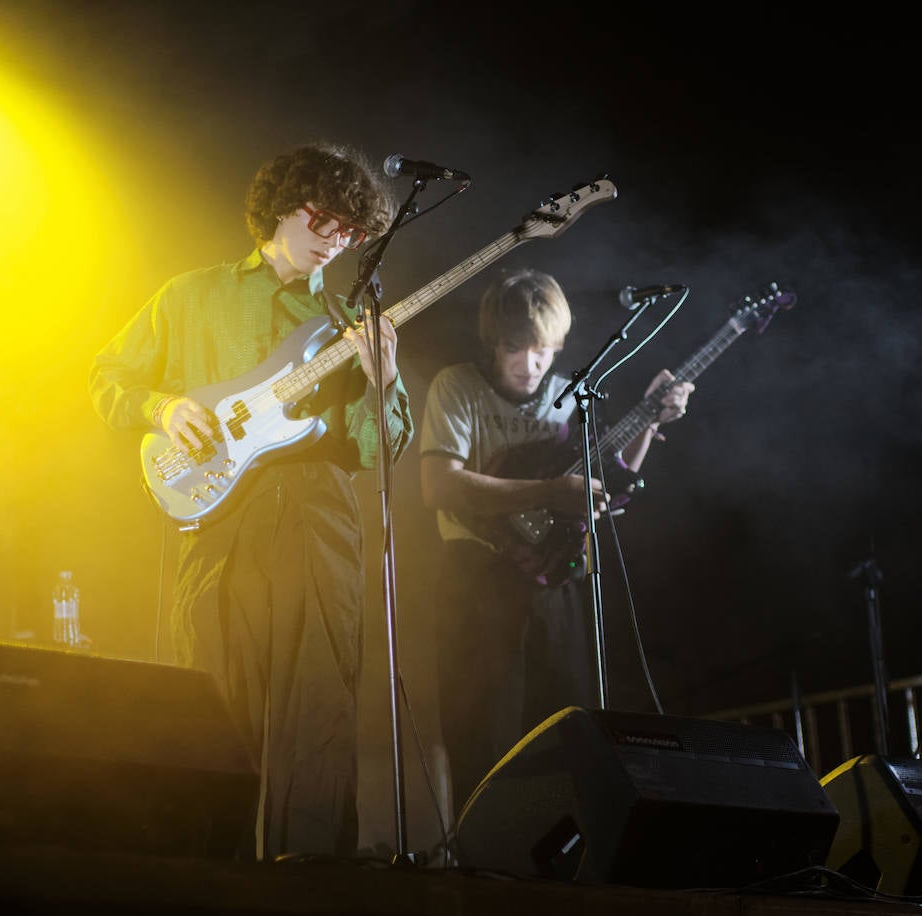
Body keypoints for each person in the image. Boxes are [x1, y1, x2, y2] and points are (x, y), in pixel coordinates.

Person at [89, 143, 413, 860]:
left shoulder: (348, 322)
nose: (336, 239)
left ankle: (310, 889)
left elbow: (378, 451)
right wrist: (163, 407)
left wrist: (384, 381)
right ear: (281, 208)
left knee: (320, 716)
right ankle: (204, 881)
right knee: (211, 713)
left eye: (351, 231)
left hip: (319, 523)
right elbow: (107, 377)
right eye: (323, 219)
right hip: (218, 523)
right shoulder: (191, 295)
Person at [419, 266, 694, 821]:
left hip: (558, 583)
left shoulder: (571, 397)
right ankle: (480, 856)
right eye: (515, 348)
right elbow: (439, 486)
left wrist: (648, 420)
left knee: (565, 737)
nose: (531, 363)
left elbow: (607, 485)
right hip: (476, 581)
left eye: (543, 349)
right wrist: (549, 490)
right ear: (493, 341)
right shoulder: (457, 386)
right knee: (483, 736)